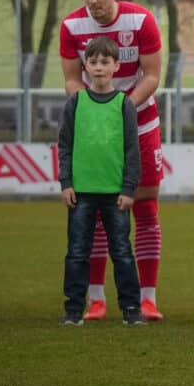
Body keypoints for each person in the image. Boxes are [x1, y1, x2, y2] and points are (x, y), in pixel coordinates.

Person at [59, 0, 167, 321]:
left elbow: (152, 75)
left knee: (145, 206)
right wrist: (96, 114)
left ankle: (147, 298)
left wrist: (121, 109)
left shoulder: (141, 20)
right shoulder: (71, 26)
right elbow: (72, 82)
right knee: (96, 211)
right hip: (94, 131)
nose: (92, 0)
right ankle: (97, 299)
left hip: (139, 122)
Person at [57, 36, 142, 327]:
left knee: (122, 252)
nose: (99, 67)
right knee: (77, 252)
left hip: (115, 193)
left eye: (105, 62)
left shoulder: (124, 104)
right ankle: (73, 309)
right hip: (81, 192)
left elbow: (132, 149)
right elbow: (65, 145)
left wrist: (129, 188)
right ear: (85, 66)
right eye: (93, 62)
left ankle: (131, 309)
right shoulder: (75, 102)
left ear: (116, 66)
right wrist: (66, 182)